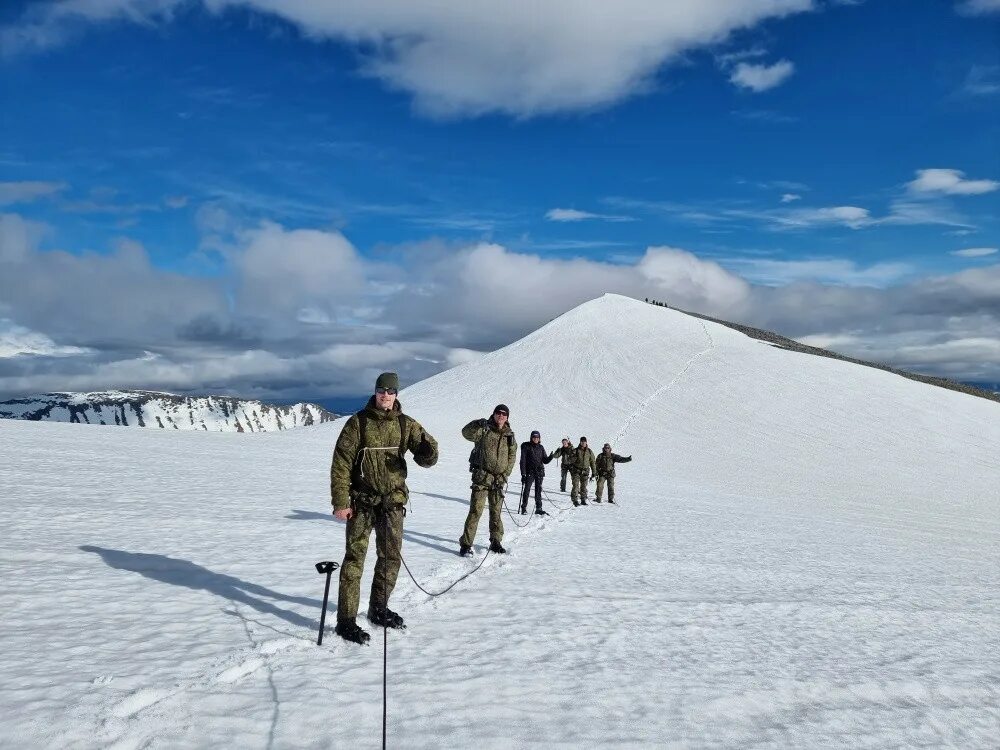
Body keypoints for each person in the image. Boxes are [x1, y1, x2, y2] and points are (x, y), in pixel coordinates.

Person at [330, 372, 439, 645]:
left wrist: (427, 452)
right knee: (355, 560)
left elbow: (429, 455)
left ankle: (378, 608)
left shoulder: (406, 424)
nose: (385, 395)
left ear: (397, 394)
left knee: (390, 558)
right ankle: (346, 621)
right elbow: (341, 463)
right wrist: (341, 502)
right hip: (362, 503)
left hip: (392, 503)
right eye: (381, 390)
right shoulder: (358, 423)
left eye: (390, 391)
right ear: (375, 392)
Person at [459, 404, 516, 556]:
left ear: (507, 417)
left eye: (504, 414)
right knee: (476, 511)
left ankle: (496, 541)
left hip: (498, 480)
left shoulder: (509, 435)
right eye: (498, 413)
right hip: (482, 478)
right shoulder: (484, 429)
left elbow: (512, 456)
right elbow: (465, 433)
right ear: (494, 414)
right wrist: (478, 422)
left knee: (496, 511)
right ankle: (466, 544)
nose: (501, 416)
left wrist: (506, 473)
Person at [519, 430, 554, 516]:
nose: (536, 439)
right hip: (529, 471)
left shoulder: (541, 447)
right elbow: (522, 461)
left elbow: (545, 460)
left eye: (537, 437)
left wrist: (550, 457)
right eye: (534, 437)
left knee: (538, 490)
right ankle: (524, 508)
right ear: (531, 438)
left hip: (539, 472)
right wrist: (523, 474)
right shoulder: (526, 447)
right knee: (527, 489)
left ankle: (539, 508)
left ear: (539, 438)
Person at [570, 436, 597, 506]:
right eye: (582, 442)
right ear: (580, 442)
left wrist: (594, 472)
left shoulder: (589, 451)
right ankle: (575, 500)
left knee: (584, 486)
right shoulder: (576, 450)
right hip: (576, 471)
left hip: (585, 471)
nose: (583, 443)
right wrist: (574, 457)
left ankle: (583, 500)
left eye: (584, 442)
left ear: (586, 442)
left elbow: (592, 462)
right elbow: (570, 460)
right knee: (575, 486)